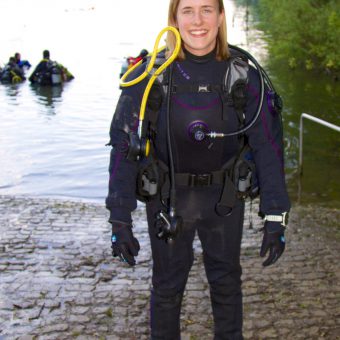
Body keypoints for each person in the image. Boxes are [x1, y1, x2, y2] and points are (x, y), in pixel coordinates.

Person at [105, 0, 290, 338]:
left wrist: (276, 214)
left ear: (221, 16)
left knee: (226, 283)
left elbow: (267, 146)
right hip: (167, 198)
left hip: (223, 199)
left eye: (207, 9)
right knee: (166, 287)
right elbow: (123, 146)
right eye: (187, 10)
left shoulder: (244, 76)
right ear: (174, 18)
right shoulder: (148, 76)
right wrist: (119, 217)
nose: (198, 20)